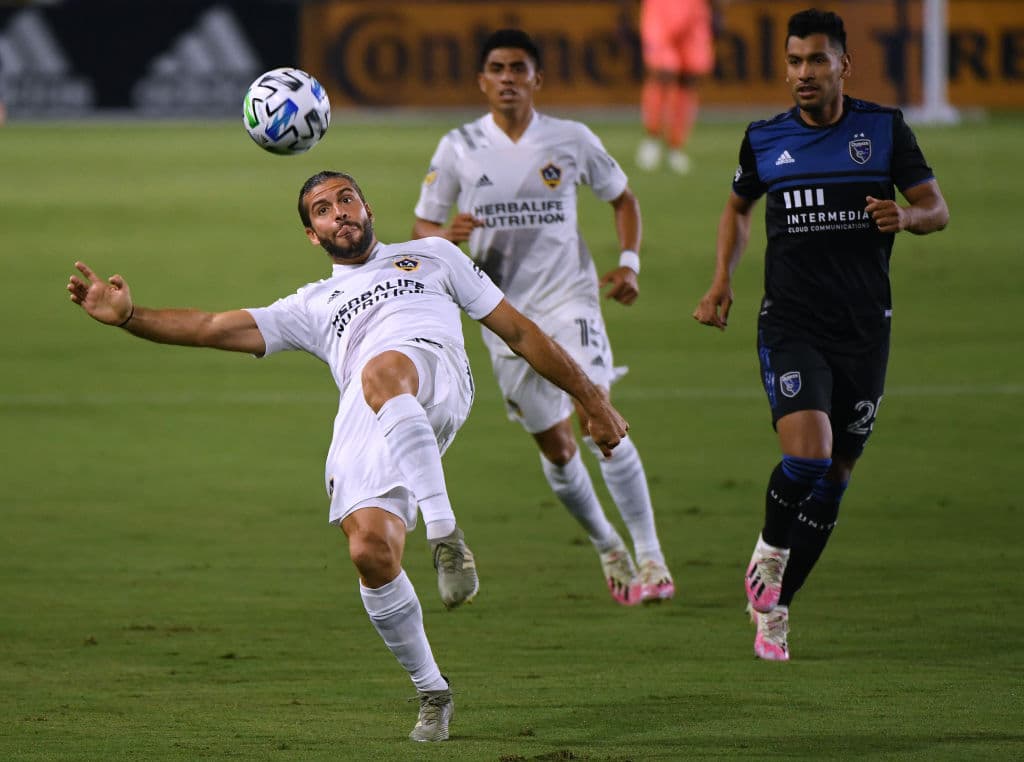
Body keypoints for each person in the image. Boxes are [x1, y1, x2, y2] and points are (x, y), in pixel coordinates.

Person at [67, 170, 630, 742]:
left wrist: (592, 399)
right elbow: (214, 326)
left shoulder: (433, 256)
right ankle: (432, 690)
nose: (339, 211)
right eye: (321, 209)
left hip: (432, 373)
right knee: (370, 551)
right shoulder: (310, 305)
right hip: (368, 410)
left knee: (384, 369)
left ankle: (445, 535)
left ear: (368, 208)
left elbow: (522, 333)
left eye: (346, 199)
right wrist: (131, 318)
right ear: (312, 234)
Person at [692, 9, 949, 661]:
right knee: (808, 456)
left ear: (844, 65)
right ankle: (771, 552)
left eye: (817, 61)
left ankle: (775, 613)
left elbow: (936, 208)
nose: (803, 73)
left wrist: (908, 216)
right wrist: (721, 279)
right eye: (795, 61)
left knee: (835, 478)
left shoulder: (883, 131)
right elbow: (738, 206)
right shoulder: (765, 138)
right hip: (792, 321)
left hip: (864, 328)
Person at [412, 28, 674, 607]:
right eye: (497, 69)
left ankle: (652, 556)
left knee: (596, 414)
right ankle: (608, 545)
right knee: (557, 448)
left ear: (537, 79)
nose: (508, 78)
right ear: (482, 81)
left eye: (519, 68)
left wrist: (628, 263)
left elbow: (623, 198)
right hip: (502, 313)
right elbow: (422, 231)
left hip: (569, 299)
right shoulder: (457, 145)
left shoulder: (571, 139)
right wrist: (445, 234)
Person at [634, 0, 717, 174]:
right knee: (663, 72)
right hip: (660, 6)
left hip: (694, 7)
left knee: (689, 77)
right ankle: (653, 138)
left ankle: (675, 146)